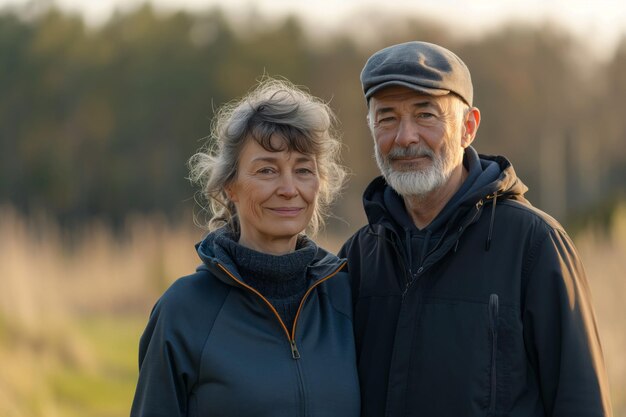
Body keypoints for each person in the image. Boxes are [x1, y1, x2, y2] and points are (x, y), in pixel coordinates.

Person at [339, 41, 612, 417]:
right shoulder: (356, 258)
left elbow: (580, 401)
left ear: (468, 128)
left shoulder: (533, 245)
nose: (405, 137)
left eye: (426, 115)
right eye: (387, 118)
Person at [131, 78, 360, 417]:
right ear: (230, 186)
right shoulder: (183, 311)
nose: (288, 188)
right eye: (267, 169)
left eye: (303, 170)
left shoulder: (348, 298)